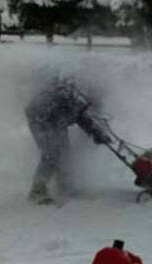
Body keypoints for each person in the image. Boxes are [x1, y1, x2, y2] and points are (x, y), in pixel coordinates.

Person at [25, 75, 112, 204]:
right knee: (51, 154)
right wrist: (96, 133)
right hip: (40, 119)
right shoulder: (73, 96)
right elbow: (82, 118)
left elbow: (82, 117)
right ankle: (37, 191)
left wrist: (97, 134)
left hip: (57, 120)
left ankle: (65, 186)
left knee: (65, 152)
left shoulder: (78, 98)